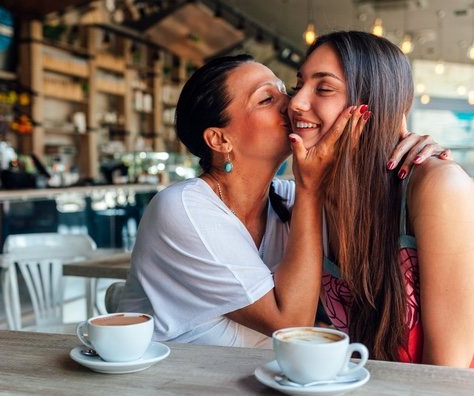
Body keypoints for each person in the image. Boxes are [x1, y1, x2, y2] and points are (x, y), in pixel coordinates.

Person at [117, 53, 447, 349]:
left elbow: (368, 213)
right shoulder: (183, 208)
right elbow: (290, 323)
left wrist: (403, 146)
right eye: (266, 99)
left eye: (284, 91)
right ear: (220, 139)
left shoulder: (288, 200)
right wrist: (310, 187)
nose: (290, 104)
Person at [291, 30, 474, 373]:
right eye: (298, 85)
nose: (296, 102)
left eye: (323, 88)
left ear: (372, 107)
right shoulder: (317, 199)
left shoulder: (439, 187)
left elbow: (446, 374)